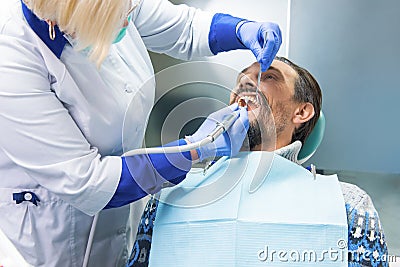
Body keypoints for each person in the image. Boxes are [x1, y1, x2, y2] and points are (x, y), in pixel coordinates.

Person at [0, 0, 282, 266]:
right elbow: (86, 181)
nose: (132, 10)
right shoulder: (12, 56)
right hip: (52, 234)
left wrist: (239, 30)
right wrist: (197, 148)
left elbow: (184, 28)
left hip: (126, 215)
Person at [128, 57, 389, 267]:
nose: (244, 84)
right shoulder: (169, 197)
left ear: (302, 111)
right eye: (240, 79)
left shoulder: (349, 204)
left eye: (268, 76)